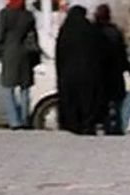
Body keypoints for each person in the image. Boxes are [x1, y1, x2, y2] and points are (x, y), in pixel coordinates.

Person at [0, 0, 40, 130]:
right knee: (25, 89)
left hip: (9, 54)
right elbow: (34, 36)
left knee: (9, 89)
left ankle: (14, 121)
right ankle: (24, 119)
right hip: (25, 56)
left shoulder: (5, 14)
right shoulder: (28, 15)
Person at [55, 5, 101, 134]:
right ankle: (88, 124)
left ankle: (73, 125)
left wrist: (60, 73)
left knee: (71, 100)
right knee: (88, 100)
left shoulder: (65, 30)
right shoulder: (90, 29)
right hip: (88, 73)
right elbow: (98, 53)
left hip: (68, 74)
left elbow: (59, 54)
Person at [93, 4, 130, 135]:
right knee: (117, 103)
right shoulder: (115, 32)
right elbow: (123, 55)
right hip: (116, 73)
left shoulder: (93, 31)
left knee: (102, 102)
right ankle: (116, 126)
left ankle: (104, 124)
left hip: (99, 74)